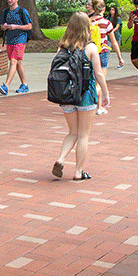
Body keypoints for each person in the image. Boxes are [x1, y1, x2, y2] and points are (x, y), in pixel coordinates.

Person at [51, 12, 109, 181]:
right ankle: (78, 172)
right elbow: (98, 73)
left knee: (72, 132)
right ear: (86, 27)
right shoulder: (90, 48)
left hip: (66, 96)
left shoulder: (62, 47)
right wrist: (105, 93)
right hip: (86, 95)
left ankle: (61, 159)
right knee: (83, 135)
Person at [86, 0, 123, 114]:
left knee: (92, 79)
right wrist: (120, 57)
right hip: (102, 53)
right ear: (104, 9)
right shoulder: (106, 23)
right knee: (100, 81)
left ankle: (96, 106)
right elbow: (114, 42)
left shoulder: (88, 21)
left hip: (89, 52)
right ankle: (96, 105)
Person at [0, 0, 33, 95]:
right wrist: (5, 26)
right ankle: (24, 85)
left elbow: (29, 26)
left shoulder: (22, 11)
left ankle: (6, 86)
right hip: (10, 40)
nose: (9, 0)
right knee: (18, 63)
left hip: (20, 40)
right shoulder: (5, 12)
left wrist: (16, 26)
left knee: (13, 62)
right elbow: (1, 26)